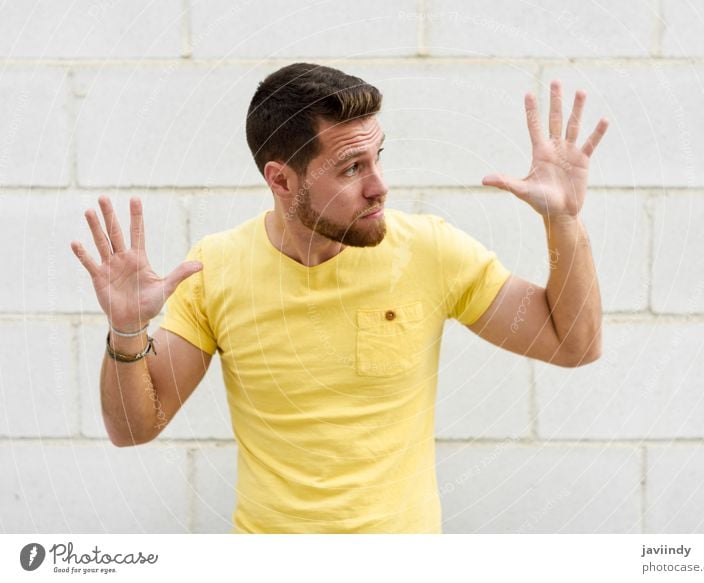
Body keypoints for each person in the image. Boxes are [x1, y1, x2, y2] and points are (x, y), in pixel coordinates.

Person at [70, 62, 609, 533]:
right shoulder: (215, 269)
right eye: (352, 168)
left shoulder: (429, 249)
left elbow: (574, 344)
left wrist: (564, 220)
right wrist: (126, 329)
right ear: (281, 181)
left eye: (378, 157)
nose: (380, 185)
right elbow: (135, 428)